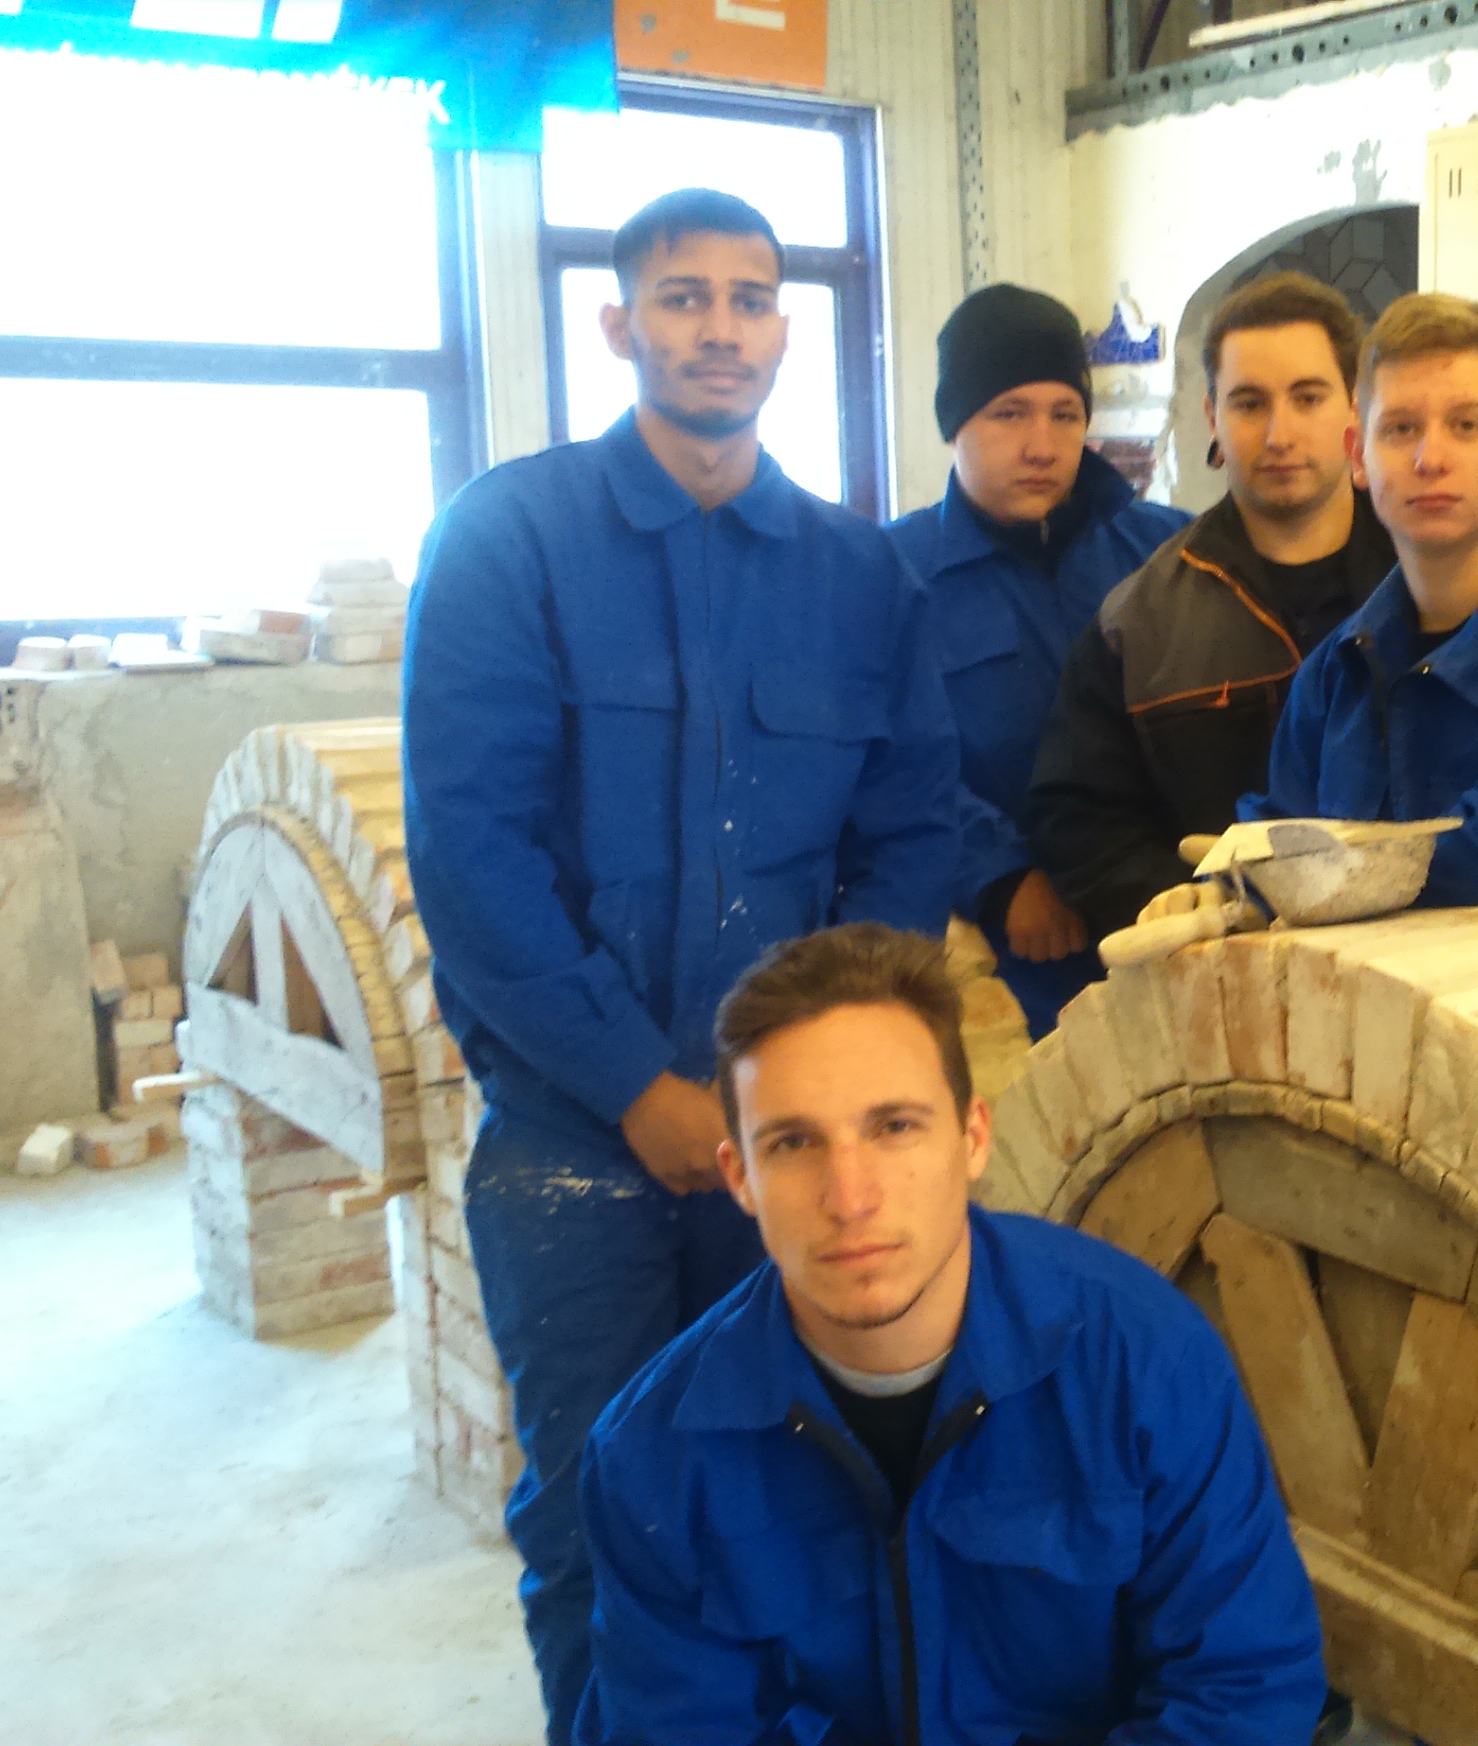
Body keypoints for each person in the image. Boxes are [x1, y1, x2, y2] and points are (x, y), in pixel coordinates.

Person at [400, 188, 959, 1746]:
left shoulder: (859, 576)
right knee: (602, 1500)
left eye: (750, 299)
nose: (721, 328)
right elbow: (472, 856)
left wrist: (820, 1079)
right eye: (684, 296)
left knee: (802, 1484)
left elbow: (911, 835)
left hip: (792, 1138)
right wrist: (638, 1085)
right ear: (619, 323)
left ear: (785, 330)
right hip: (578, 1135)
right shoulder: (509, 541)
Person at [573, 923, 1328, 1743]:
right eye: (793, 1143)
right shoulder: (650, 1458)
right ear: (740, 1177)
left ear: (972, 1138)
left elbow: (1242, 1687)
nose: (850, 1197)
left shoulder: (1145, 1362)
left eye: (894, 1126)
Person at [1027, 271, 1398, 940]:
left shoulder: (1427, 580)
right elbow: (1080, 818)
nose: (1279, 433)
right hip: (1222, 972)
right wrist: (1188, 900)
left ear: (1354, 407)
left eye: (1308, 397)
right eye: (1249, 403)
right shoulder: (1139, 624)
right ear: (1212, 419)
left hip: (1424, 958)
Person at [1227, 292, 1478, 918]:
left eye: (1466, 425)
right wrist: (1227, 887)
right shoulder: (1336, 670)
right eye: (1401, 429)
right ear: (1357, 455)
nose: (1430, 459)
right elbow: (1270, 835)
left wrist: (1284, 868)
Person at [884, 284, 1191, 1035]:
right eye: (1009, 413)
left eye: (1065, 414)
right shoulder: (891, 575)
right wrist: (999, 877)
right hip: (1008, 960)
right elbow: (888, 761)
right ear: (954, 422)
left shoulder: (1167, 552)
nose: (1042, 446)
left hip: (1173, 929)